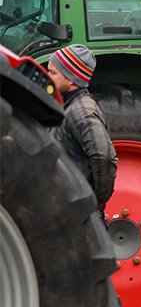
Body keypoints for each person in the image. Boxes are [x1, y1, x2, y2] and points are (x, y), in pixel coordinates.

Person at [45, 44, 118, 214]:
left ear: (71, 79)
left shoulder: (82, 112)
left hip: (74, 207)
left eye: (53, 73)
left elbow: (104, 157)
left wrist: (96, 200)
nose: (47, 77)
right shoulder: (67, 104)